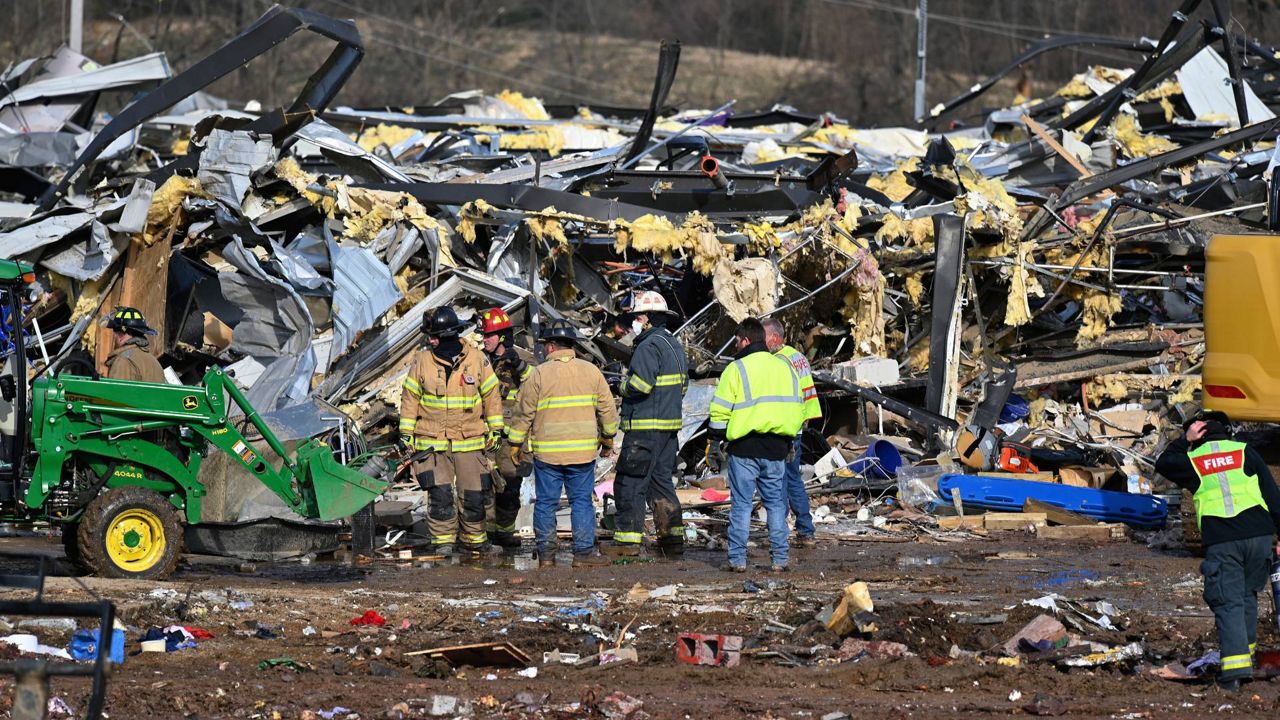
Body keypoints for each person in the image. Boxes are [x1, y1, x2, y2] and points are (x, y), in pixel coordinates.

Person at [1155, 411, 1280, 690]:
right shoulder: (1244, 451)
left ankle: (1234, 674)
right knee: (1248, 595)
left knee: (1228, 601)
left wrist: (1183, 441)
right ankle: (1246, 659)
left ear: (1198, 433)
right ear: (1227, 430)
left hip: (1224, 540)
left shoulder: (1193, 460)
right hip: (1259, 536)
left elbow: (1163, 462)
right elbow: (1273, 495)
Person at [507, 320, 619, 568]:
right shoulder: (591, 371)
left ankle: (546, 556)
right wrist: (607, 440)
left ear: (551, 347)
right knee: (581, 502)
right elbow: (608, 411)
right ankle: (583, 555)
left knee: (546, 503)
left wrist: (515, 443)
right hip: (582, 454)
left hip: (548, 455)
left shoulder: (539, 374)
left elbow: (523, 412)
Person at [399, 306, 505, 556]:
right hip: (432, 442)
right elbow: (410, 398)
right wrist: (406, 432)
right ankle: (443, 543)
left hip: (469, 441)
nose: (431, 340)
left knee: (474, 495)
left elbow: (492, 396)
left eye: (434, 335)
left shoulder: (477, 360)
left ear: (447, 334)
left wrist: (496, 430)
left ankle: (475, 541)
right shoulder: (422, 360)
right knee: (440, 495)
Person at [707, 317, 804, 573]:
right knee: (775, 505)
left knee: (741, 504)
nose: (735, 346)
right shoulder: (786, 368)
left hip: (744, 448)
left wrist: (715, 443)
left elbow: (720, 411)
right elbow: (798, 408)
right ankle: (780, 559)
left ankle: (737, 560)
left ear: (746, 340)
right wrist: (790, 440)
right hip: (777, 448)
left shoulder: (736, 369)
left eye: (737, 341)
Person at [609, 291, 689, 558]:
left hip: (644, 429)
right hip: (668, 430)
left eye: (636, 317)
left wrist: (618, 386)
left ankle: (626, 544)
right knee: (661, 483)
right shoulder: (673, 345)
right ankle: (672, 541)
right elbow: (684, 387)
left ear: (646, 318)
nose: (634, 322)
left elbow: (640, 385)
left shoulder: (647, 345)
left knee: (630, 484)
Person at [762, 317, 821, 548]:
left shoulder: (779, 360)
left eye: (764, 338)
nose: (761, 343)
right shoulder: (797, 356)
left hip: (785, 427)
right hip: (797, 425)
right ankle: (806, 530)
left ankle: (780, 530)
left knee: (780, 480)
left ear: (775, 337)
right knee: (793, 478)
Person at [479, 307, 532, 548]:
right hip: (484, 433)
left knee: (510, 487)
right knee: (483, 486)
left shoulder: (522, 358)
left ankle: (505, 532)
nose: (484, 340)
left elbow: (537, 383)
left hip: (512, 438)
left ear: (501, 337)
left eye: (488, 336)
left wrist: (519, 367)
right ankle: (486, 533)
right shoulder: (479, 360)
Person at [103, 307, 165, 383]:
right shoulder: (155, 362)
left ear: (121, 335)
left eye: (115, 332)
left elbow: (115, 393)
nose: (114, 337)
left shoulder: (124, 361)